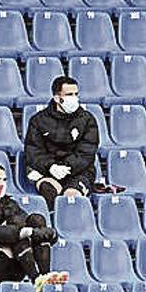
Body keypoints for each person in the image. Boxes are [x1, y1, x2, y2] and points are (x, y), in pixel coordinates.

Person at [0, 163, 66, 289]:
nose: (2, 183)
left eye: (4, 180)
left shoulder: (8, 203)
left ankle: (44, 275)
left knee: (36, 219)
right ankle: (36, 279)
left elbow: (26, 224)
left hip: (11, 262)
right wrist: (25, 232)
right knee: (16, 232)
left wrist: (47, 234)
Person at [24, 76, 99, 209]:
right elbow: (33, 151)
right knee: (49, 191)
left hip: (78, 172)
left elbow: (87, 152)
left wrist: (67, 167)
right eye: (69, 94)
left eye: (76, 94)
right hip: (48, 172)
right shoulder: (38, 120)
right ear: (57, 98)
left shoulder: (87, 120)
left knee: (71, 198)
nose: (74, 98)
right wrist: (51, 167)